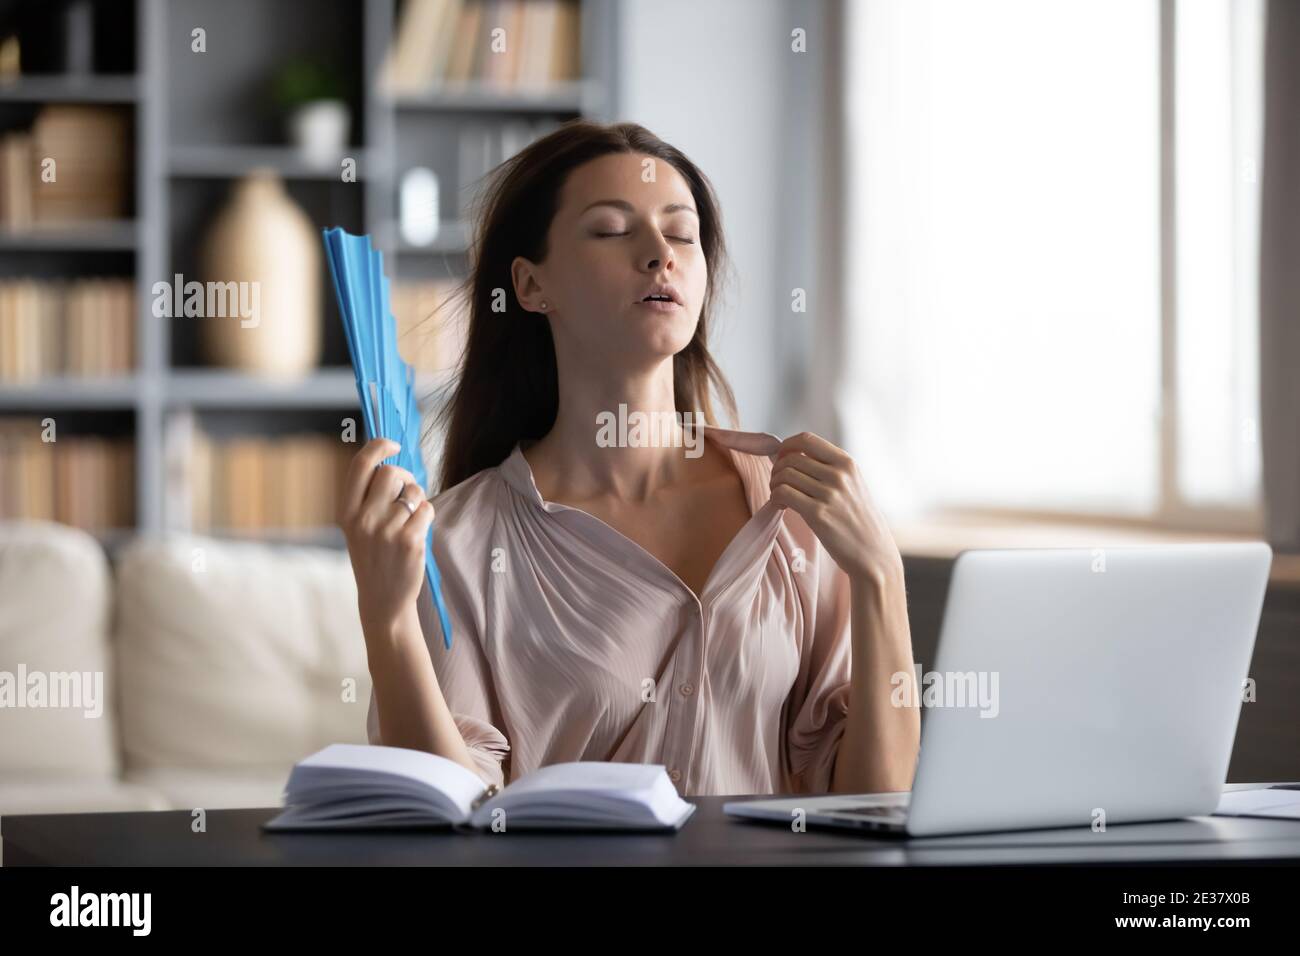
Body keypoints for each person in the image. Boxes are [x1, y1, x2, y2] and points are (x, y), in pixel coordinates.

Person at [338, 120, 918, 797]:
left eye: (681, 234)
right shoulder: (460, 542)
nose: (658, 255)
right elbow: (449, 821)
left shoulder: (797, 507)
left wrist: (881, 576)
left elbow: (875, 801)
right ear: (530, 286)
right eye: (613, 230)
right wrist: (387, 621)